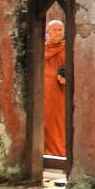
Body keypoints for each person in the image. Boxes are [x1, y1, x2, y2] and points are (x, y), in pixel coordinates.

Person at [43, 19, 67, 157]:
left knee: (59, 121)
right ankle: (45, 151)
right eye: (54, 30)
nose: (58, 33)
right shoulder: (42, 48)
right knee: (45, 120)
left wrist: (66, 78)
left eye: (60, 30)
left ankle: (59, 152)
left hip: (60, 91)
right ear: (47, 32)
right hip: (44, 91)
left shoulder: (67, 49)